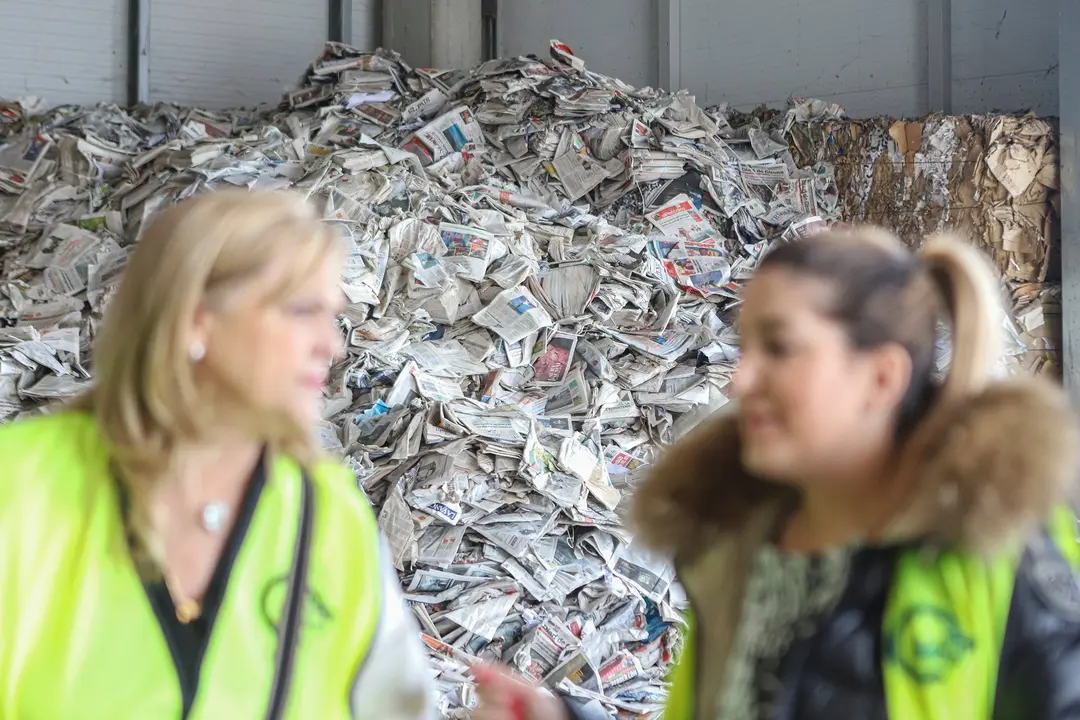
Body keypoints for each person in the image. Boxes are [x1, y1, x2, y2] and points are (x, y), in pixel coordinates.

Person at [475, 228, 1080, 719]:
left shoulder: (1003, 555)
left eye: (780, 348)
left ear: (881, 378)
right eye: (743, 348)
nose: (738, 381)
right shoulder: (732, 548)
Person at [0, 189, 435, 719]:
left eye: (332, 315)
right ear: (196, 320)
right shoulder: (19, 488)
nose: (333, 345)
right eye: (302, 310)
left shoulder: (328, 513)